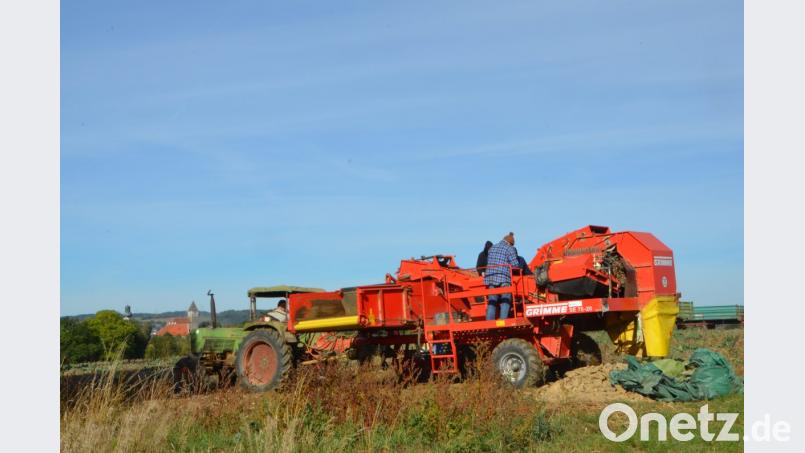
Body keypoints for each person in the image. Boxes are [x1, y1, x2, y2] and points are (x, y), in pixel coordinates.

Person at [484, 232, 520, 320]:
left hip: (490, 278)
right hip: (503, 278)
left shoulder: (492, 248)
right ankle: (503, 321)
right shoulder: (509, 248)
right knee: (505, 299)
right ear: (510, 243)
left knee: (492, 301)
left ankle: (489, 322)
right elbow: (515, 265)